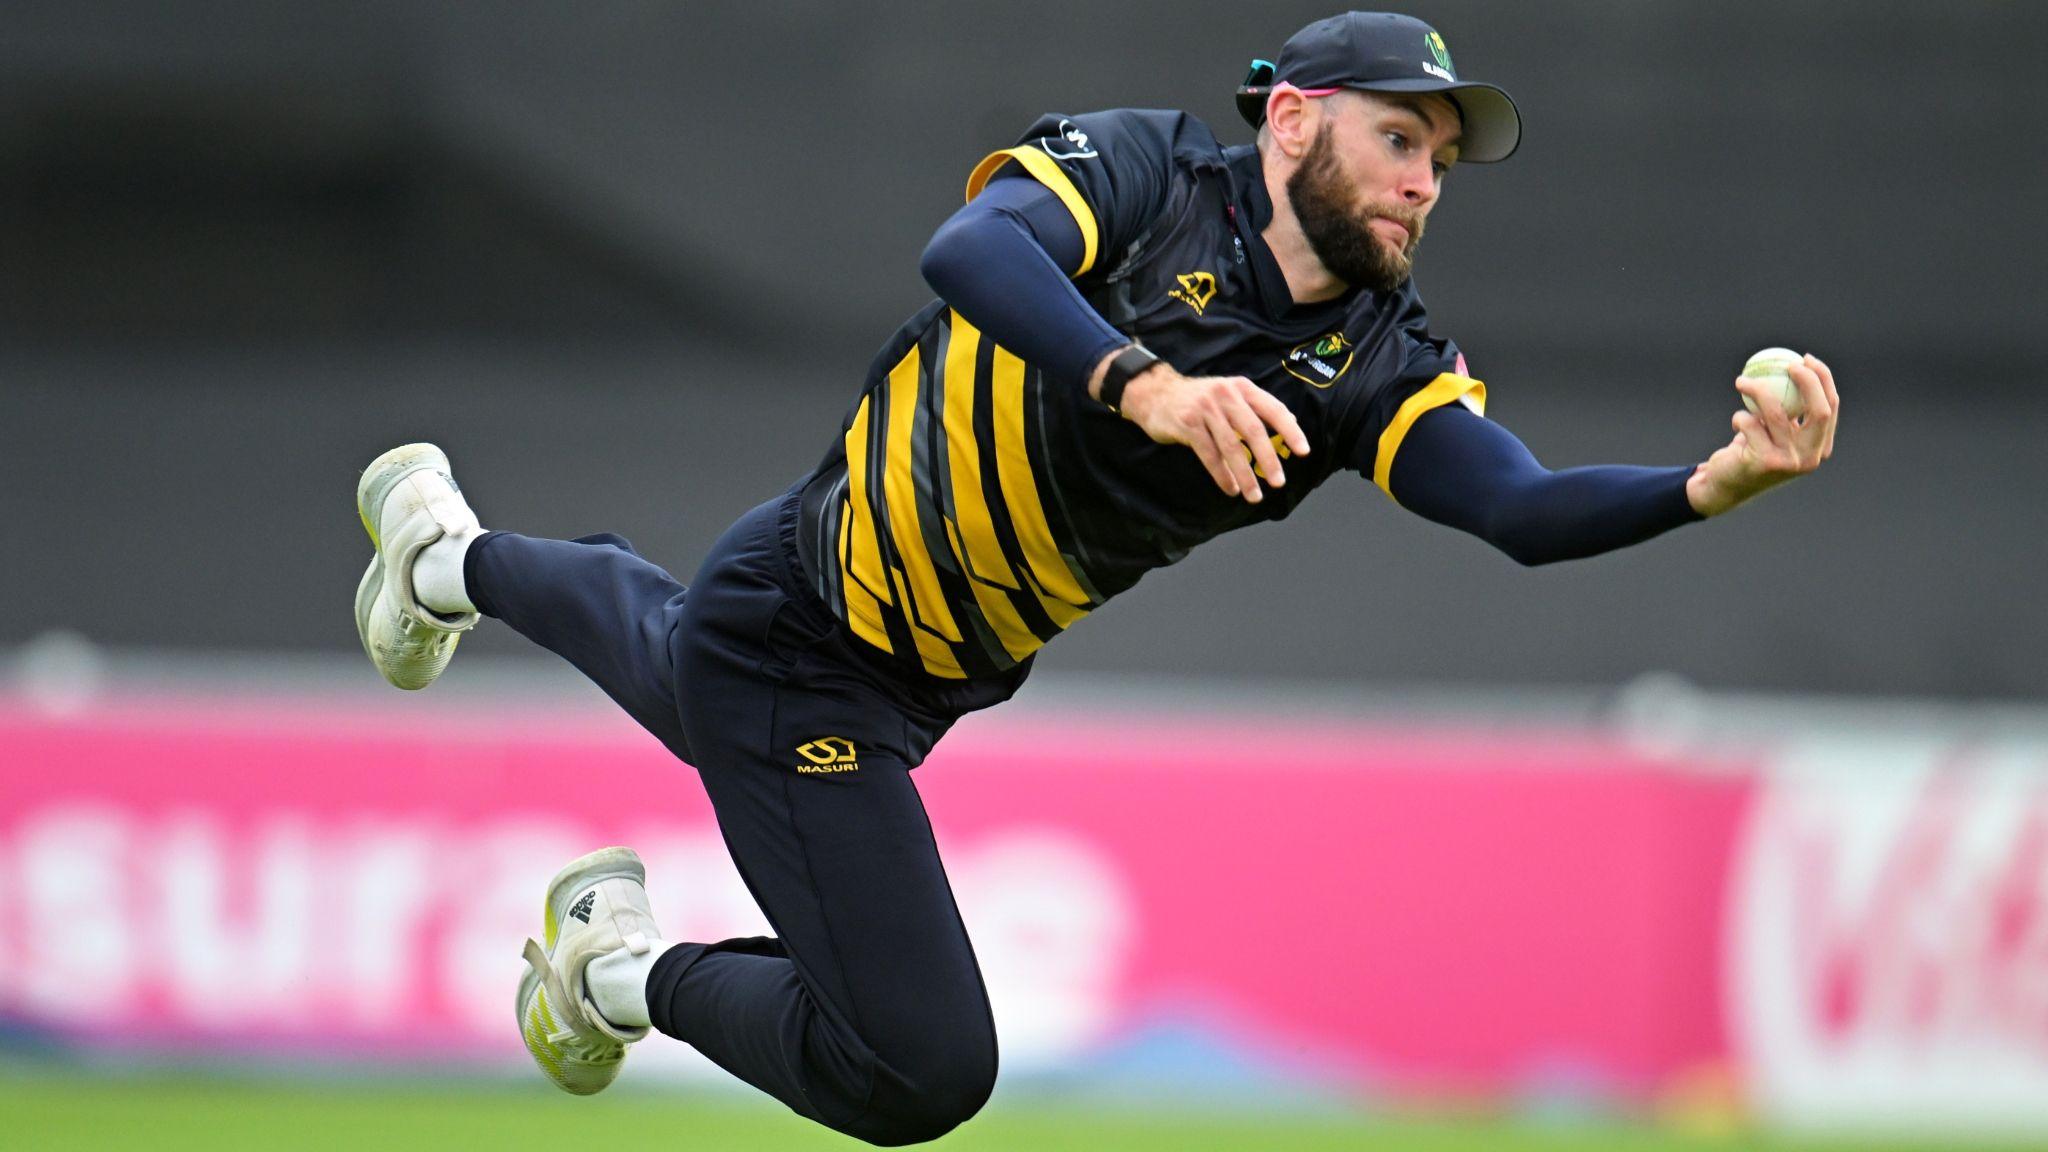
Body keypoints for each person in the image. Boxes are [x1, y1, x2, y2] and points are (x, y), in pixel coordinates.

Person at [351, 11, 1838, 1146]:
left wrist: (1713, 486)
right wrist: (1147, 387)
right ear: (1295, 121)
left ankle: (450, 553)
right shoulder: (1149, 173)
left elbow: (1515, 506)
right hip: (816, 639)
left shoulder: (1376, 359)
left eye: (1443, 164)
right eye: (1401, 140)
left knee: (677, 660)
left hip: (904, 664)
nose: (1424, 184)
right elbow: (970, 251)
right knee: (923, 1073)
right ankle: (614, 972)